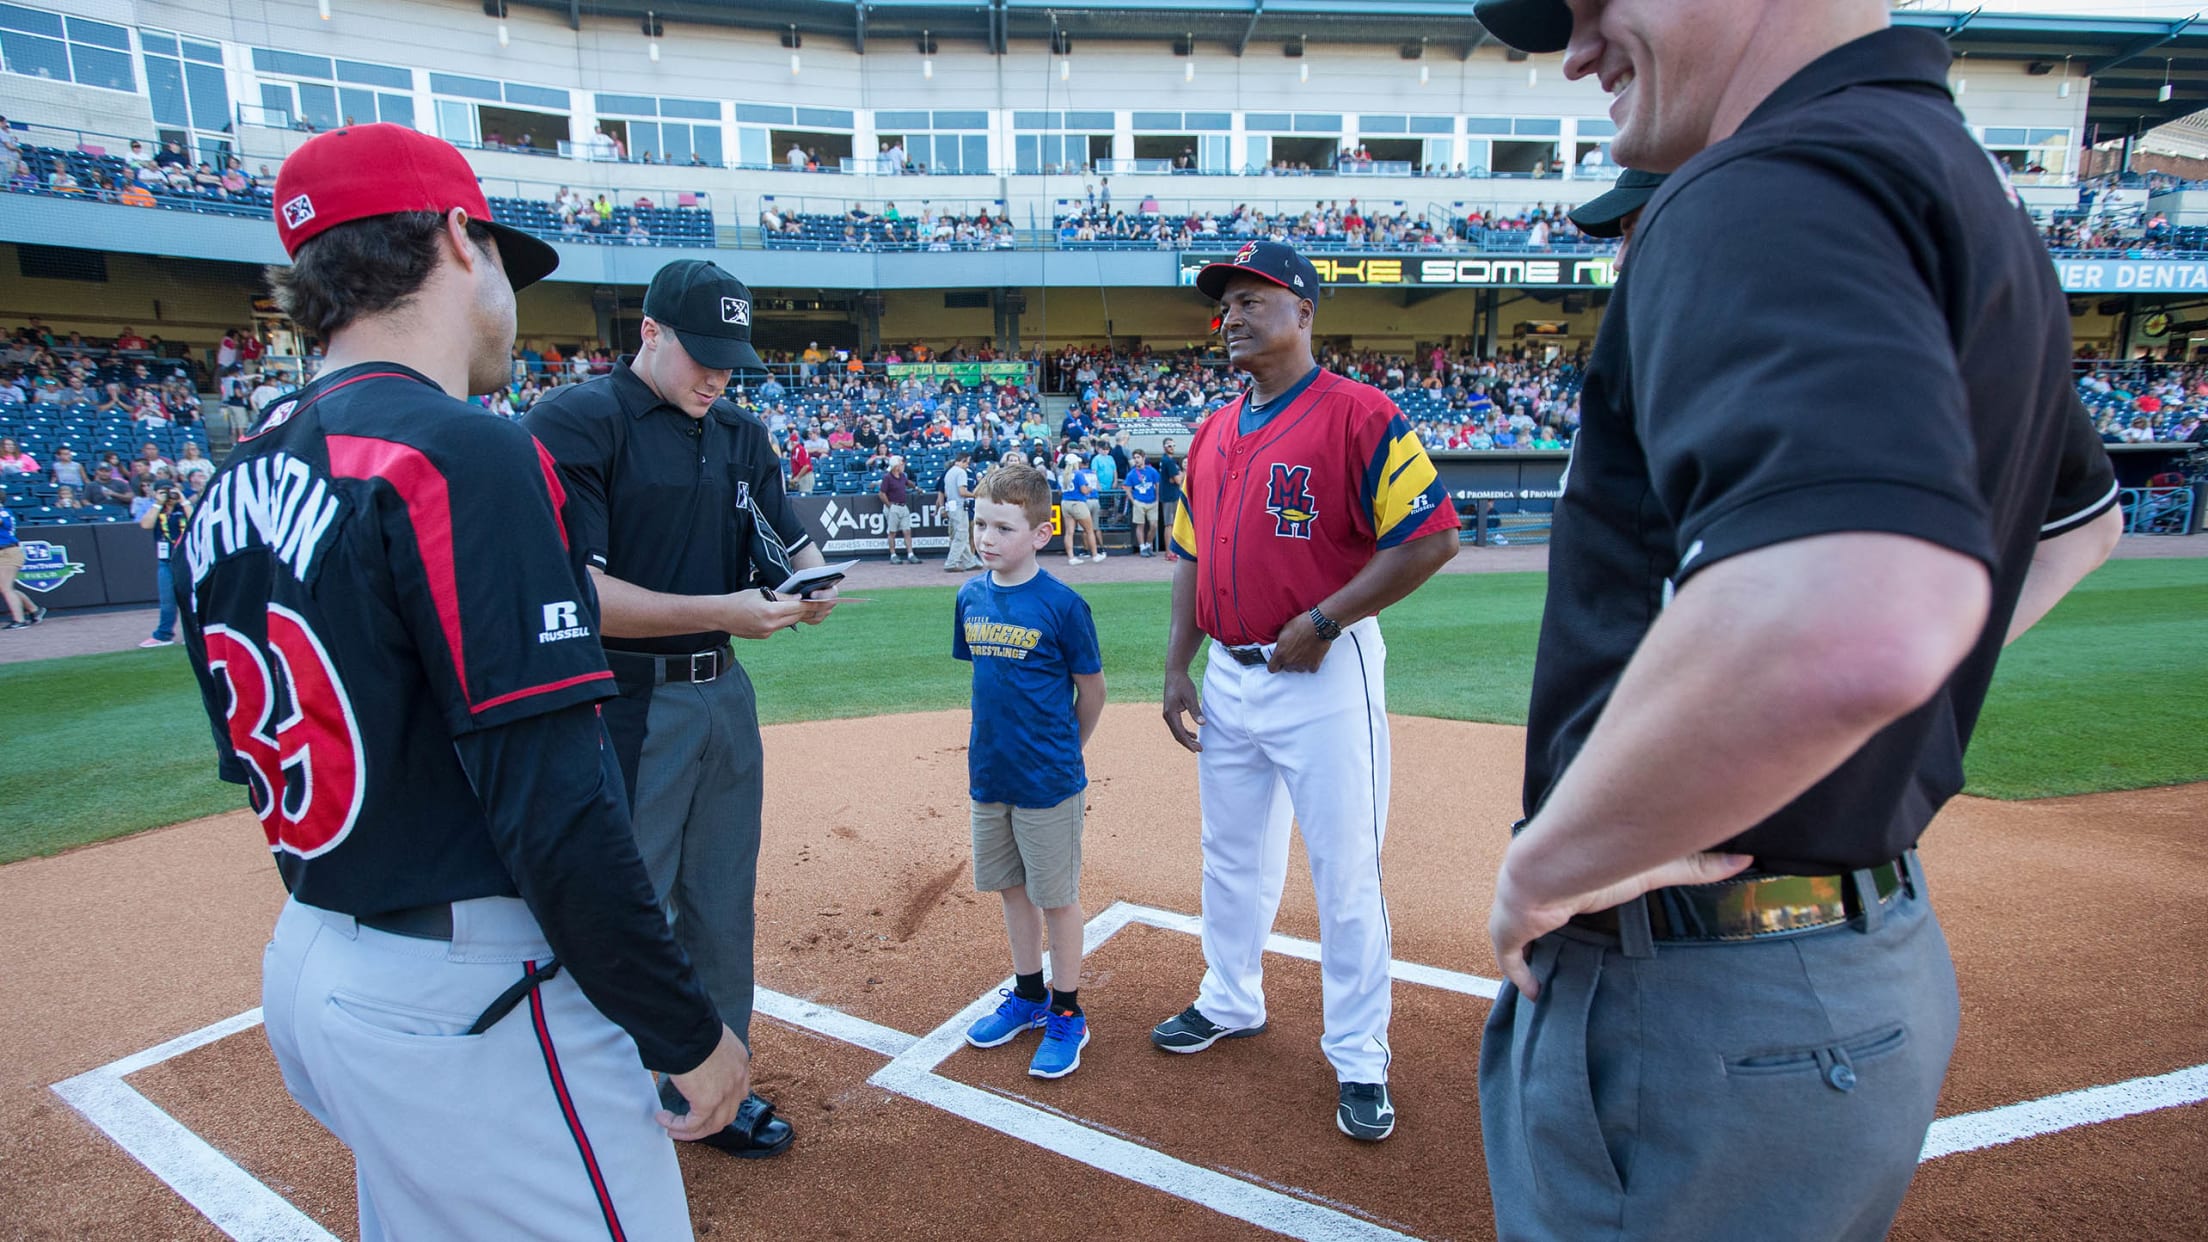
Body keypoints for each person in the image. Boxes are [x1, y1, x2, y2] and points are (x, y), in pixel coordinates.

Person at [1469, 2, 2127, 1238]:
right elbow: (2075, 527)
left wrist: (1547, 865)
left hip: (1703, 1007)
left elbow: (1855, 619)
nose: (1574, 44)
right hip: (1860, 972)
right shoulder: (1943, 169)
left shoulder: (1752, 185)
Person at [171, 122, 750, 1241]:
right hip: (475, 995)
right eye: (501, 261)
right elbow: (558, 807)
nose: (511, 297)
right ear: (454, 240)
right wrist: (684, 1028)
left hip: (317, 956)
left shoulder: (233, 476)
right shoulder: (461, 451)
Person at [525, 259, 836, 1163]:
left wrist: (807, 582)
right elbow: (576, 592)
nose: (717, 377)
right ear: (650, 334)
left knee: (718, 900)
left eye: (730, 362)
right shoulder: (576, 422)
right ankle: (607, 1101)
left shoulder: (738, 429)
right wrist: (723, 610)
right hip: (622, 699)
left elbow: (784, 534)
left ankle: (711, 1083)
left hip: (722, 696)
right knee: (631, 902)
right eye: (702, 356)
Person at [1156, 240, 1461, 1141]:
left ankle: (1361, 1057)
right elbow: (1190, 553)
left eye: (1256, 297)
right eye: (1228, 302)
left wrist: (1327, 620)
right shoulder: (1214, 430)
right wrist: (1179, 663)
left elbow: (1432, 539)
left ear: (1305, 312)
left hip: (1325, 676)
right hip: (1232, 674)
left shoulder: (1362, 416)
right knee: (1231, 855)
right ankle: (1231, 997)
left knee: (1345, 874)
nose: (1235, 315)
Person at [954, 462, 1107, 1078]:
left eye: (1003, 527)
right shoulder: (969, 595)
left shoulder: (1063, 605)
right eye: (980, 523)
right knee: (1012, 891)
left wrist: (1068, 749)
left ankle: (1068, 1012)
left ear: (1041, 533)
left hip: (1048, 779)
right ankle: (1028, 992)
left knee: (1056, 897)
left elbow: (1090, 691)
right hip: (990, 774)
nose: (986, 537)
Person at [136, 482, 191, 648]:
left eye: (171, 491)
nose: (168, 496)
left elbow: (195, 520)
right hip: (166, 561)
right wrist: (158, 503)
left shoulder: (182, 508)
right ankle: (163, 634)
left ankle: (193, 634)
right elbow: (146, 524)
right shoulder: (156, 510)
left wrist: (183, 500)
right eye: (164, 492)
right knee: (167, 599)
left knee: (190, 599)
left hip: (187, 560)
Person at [0, 500, 45, 629]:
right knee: (4, 588)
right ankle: (34, 610)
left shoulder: (3, 511)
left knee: (6, 588)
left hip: (8, 552)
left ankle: (19, 620)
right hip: (4, 552)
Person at [940, 446, 983, 572]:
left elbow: (946, 493)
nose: (967, 465)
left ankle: (969, 562)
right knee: (961, 535)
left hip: (951, 505)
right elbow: (962, 491)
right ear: (963, 460)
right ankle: (951, 562)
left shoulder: (949, 472)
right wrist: (976, 494)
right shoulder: (960, 472)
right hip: (959, 506)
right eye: (967, 462)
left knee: (961, 535)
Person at [1058, 453, 1103, 565]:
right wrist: (1090, 489)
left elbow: (1059, 491)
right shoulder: (1078, 474)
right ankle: (1095, 555)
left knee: (1069, 532)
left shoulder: (1062, 475)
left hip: (1065, 503)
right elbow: (1083, 490)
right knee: (1089, 530)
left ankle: (1071, 557)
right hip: (1077, 503)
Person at [879, 453, 918, 564]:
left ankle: (910, 554)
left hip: (903, 506)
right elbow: (882, 493)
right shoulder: (887, 477)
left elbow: (907, 483)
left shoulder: (902, 476)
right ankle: (893, 554)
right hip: (893, 506)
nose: (903, 465)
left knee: (907, 531)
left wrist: (916, 487)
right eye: (901, 464)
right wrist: (890, 506)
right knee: (892, 532)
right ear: (896, 466)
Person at [1124, 449, 1161, 557]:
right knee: (1140, 525)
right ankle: (1142, 547)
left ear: (1143, 458)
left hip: (1152, 501)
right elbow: (1127, 489)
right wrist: (1134, 501)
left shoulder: (1152, 471)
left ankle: (1149, 544)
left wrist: (1157, 499)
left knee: (1154, 525)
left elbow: (1157, 484)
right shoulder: (1131, 474)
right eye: (1135, 458)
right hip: (1139, 501)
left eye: (1138, 457)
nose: (1136, 460)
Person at [1156, 438, 1184, 561]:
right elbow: (1177, 480)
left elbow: (1173, 479)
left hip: (1170, 495)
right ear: (1164, 447)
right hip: (1170, 496)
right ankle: (1169, 552)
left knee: (1172, 524)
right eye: (1169, 445)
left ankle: (1171, 551)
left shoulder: (1166, 460)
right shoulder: (1168, 461)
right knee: (1169, 524)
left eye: (1173, 445)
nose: (1171, 447)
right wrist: (1184, 472)